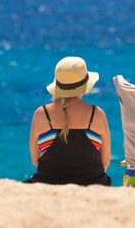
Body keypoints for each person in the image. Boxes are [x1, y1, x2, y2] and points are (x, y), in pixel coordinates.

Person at [27, 56, 112, 186]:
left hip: (48, 183)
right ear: (84, 85)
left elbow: (35, 161)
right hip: (93, 183)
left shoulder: (41, 114)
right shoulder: (97, 114)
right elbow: (105, 162)